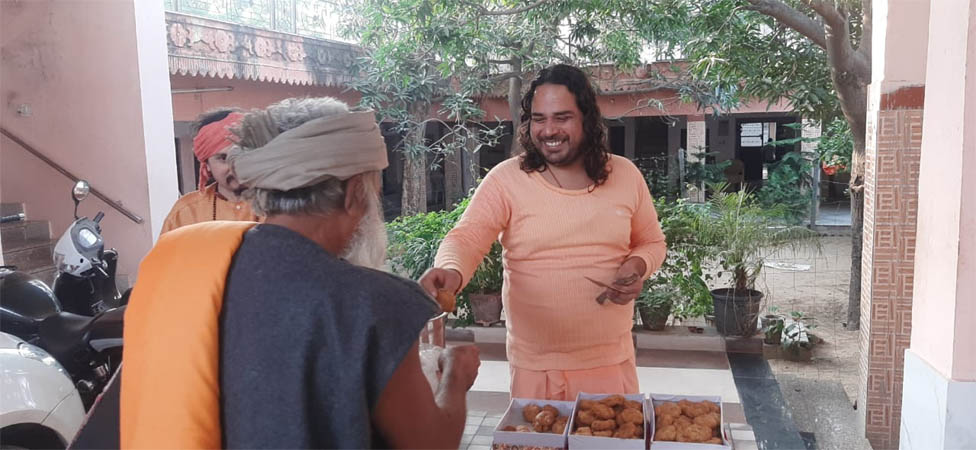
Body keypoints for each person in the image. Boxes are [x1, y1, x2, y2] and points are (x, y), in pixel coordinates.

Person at [121, 97, 480, 449]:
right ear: (355, 193)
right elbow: (430, 442)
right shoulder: (375, 303)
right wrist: (456, 377)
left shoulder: (192, 276)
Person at [419, 64, 666, 401]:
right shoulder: (506, 179)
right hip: (535, 369)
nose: (549, 130)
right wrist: (451, 270)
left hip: (610, 362)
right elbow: (467, 237)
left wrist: (637, 265)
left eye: (562, 117)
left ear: (587, 119)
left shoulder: (625, 175)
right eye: (539, 119)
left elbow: (651, 242)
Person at [159, 108, 258, 234]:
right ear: (207, 165)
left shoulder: (280, 205)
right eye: (223, 158)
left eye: (243, 155)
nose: (235, 167)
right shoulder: (185, 212)